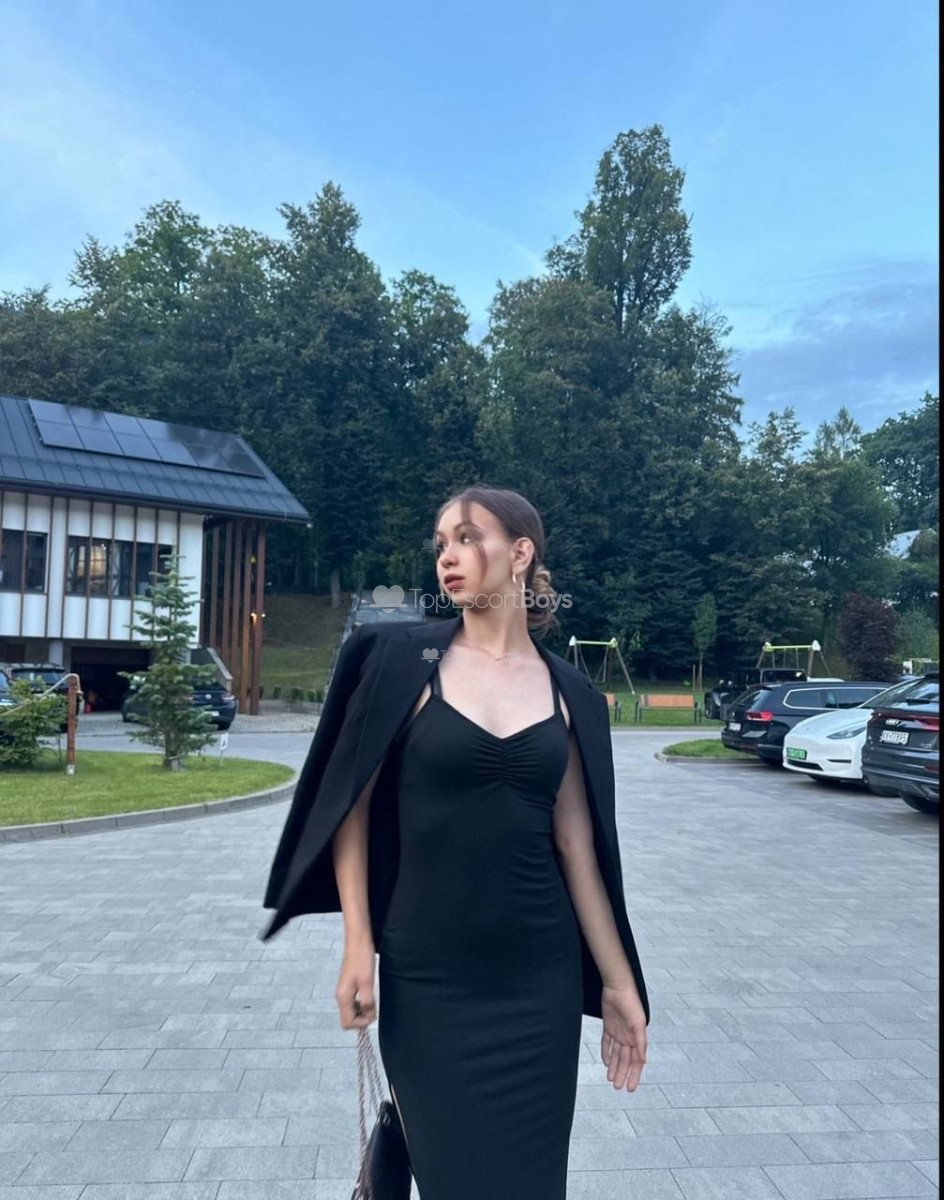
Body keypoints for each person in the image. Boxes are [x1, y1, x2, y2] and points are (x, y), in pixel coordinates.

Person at [319, 486, 649, 1199]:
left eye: (468, 537)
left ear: (521, 553)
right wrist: (357, 946)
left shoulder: (569, 692)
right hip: (428, 977)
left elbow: (578, 849)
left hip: (539, 982)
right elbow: (351, 809)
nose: (448, 555)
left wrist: (619, 984)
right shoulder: (403, 665)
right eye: (441, 543)